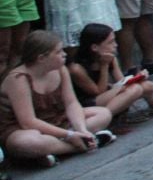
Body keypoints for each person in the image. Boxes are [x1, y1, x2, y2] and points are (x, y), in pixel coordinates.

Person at [1, 30, 115, 167]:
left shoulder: (60, 69)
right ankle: (83, 145)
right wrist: (69, 135)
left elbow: (71, 103)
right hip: (25, 129)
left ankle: (58, 148)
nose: (64, 54)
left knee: (103, 113)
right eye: (59, 52)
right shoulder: (18, 79)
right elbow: (28, 122)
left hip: (58, 120)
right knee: (26, 142)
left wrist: (81, 129)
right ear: (41, 58)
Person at [67, 22, 153, 116]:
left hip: (107, 93)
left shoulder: (111, 58)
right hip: (89, 103)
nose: (115, 45)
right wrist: (104, 66)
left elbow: (121, 81)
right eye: (110, 42)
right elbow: (98, 92)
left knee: (148, 86)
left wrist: (137, 78)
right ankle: (103, 118)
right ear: (94, 47)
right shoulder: (77, 68)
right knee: (135, 89)